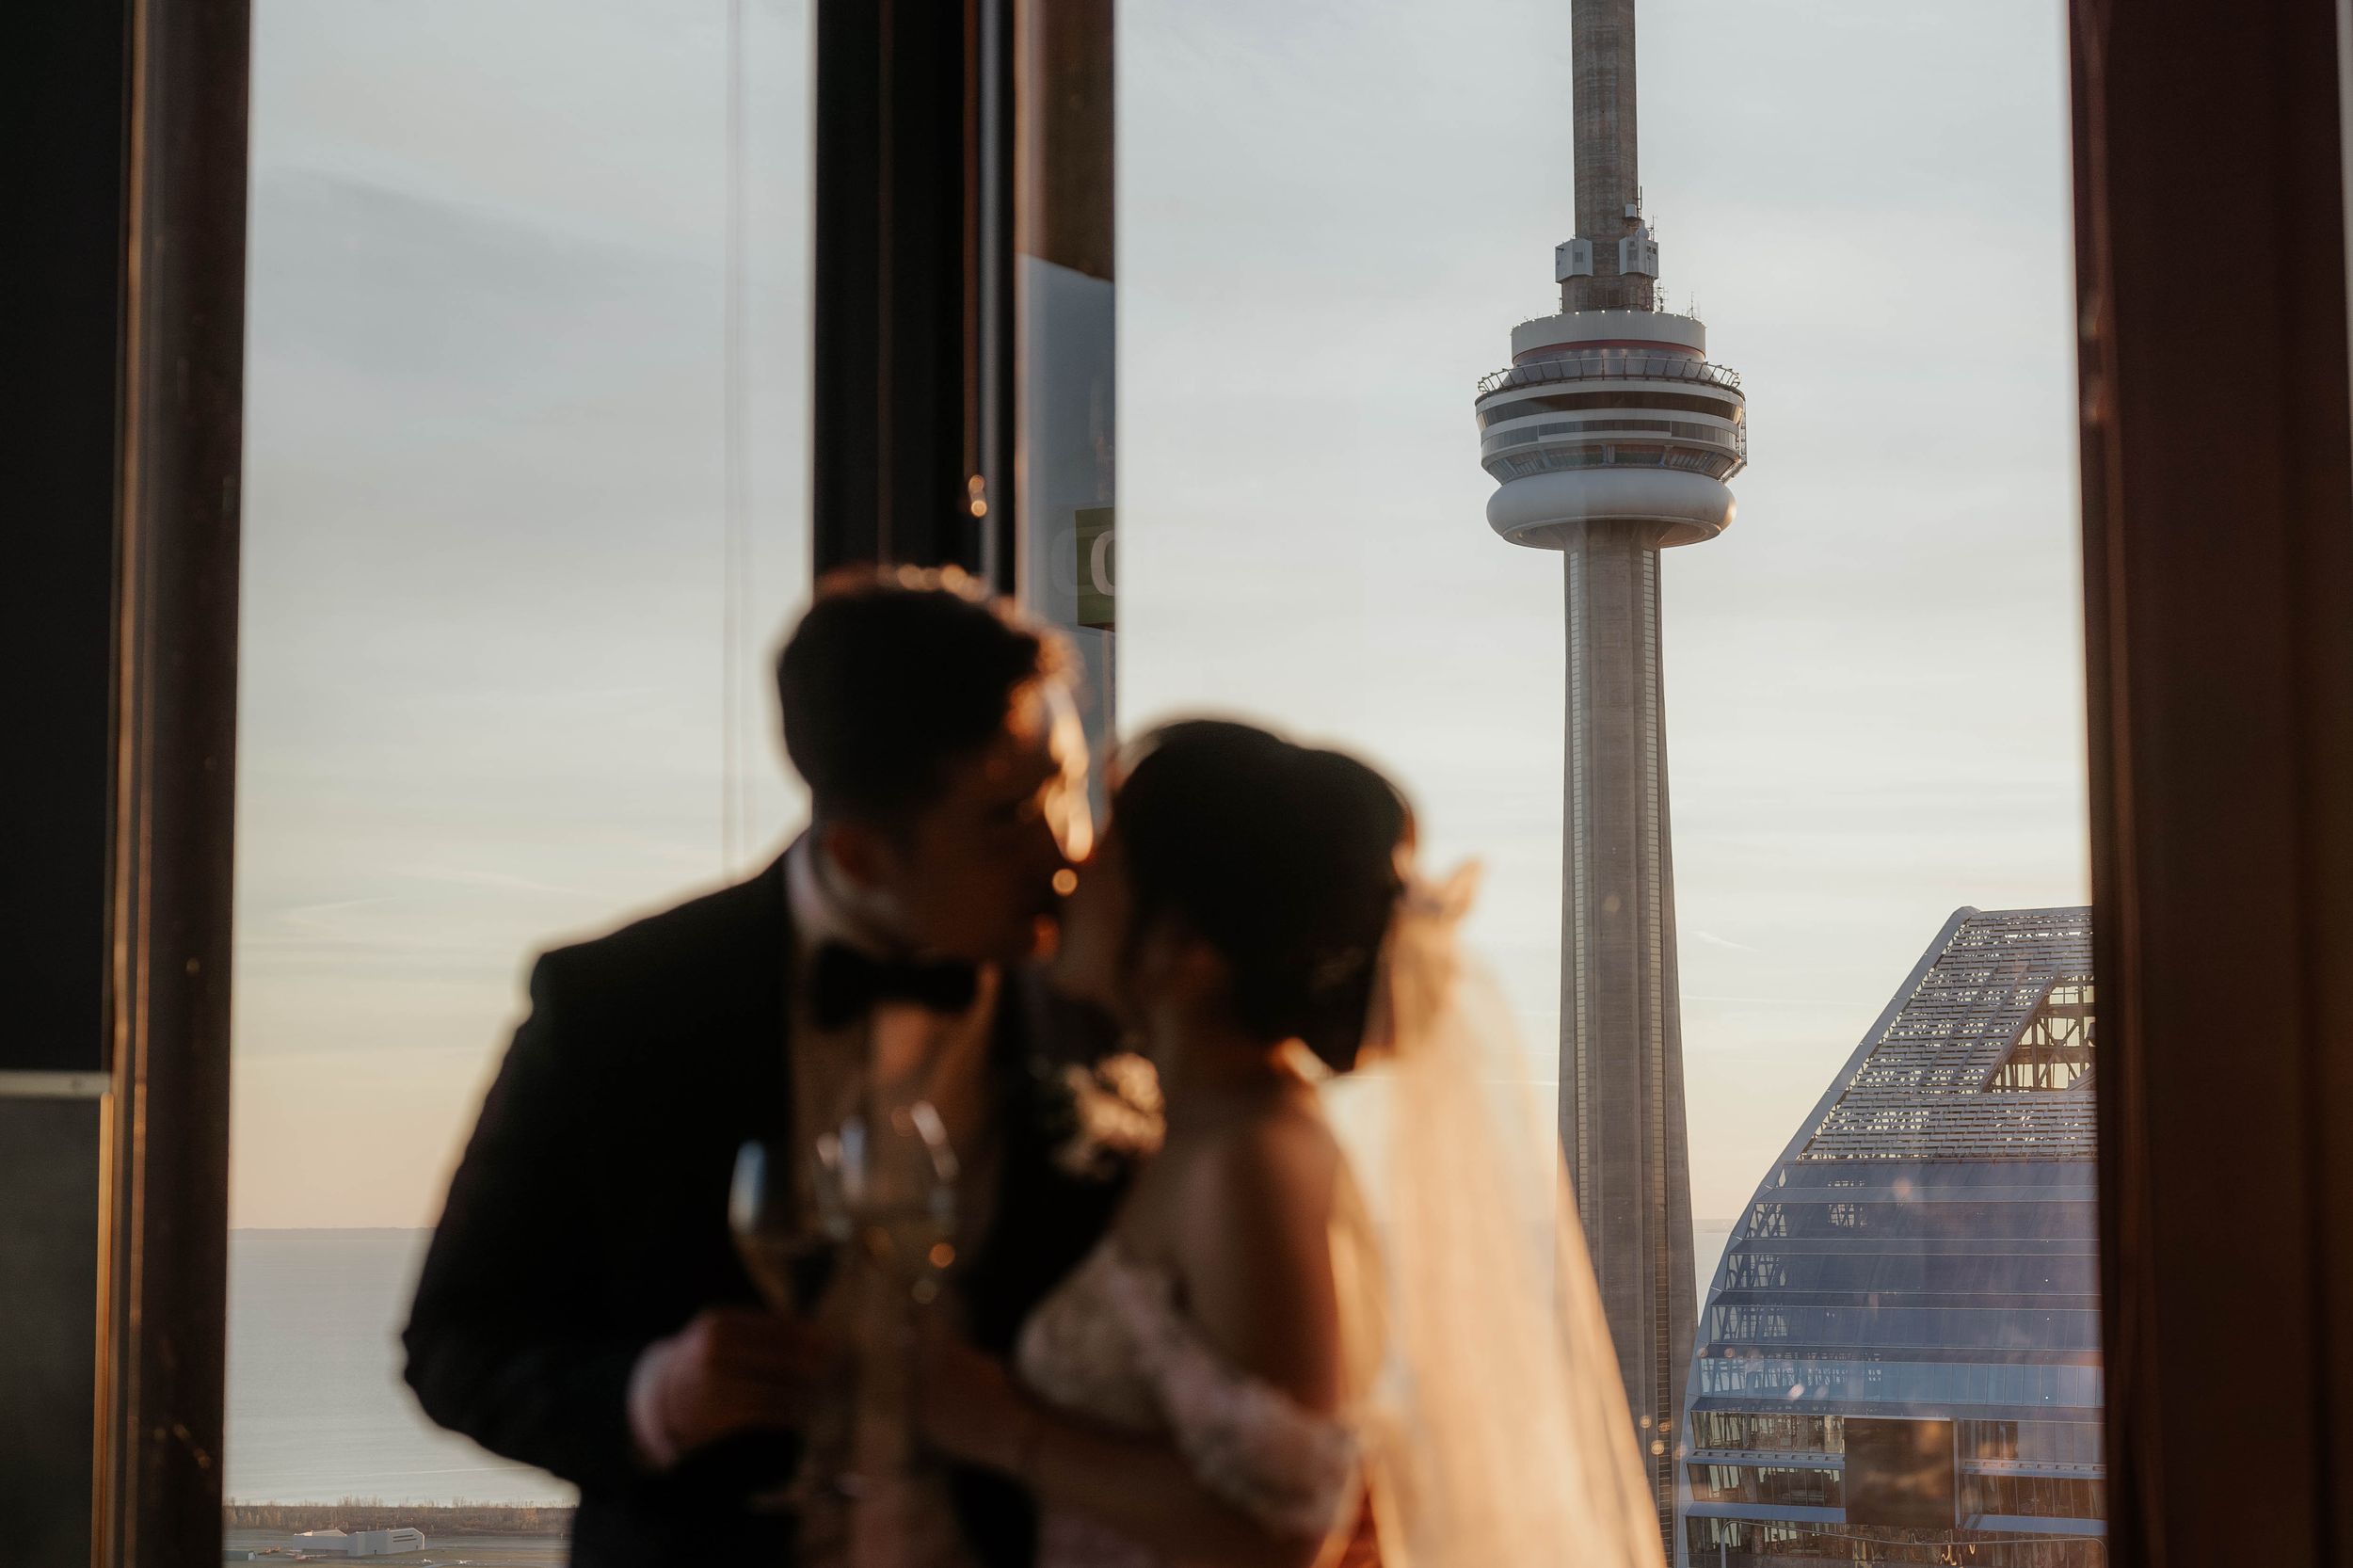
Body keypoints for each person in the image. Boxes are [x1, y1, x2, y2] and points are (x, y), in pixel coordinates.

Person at [403, 568, 1137, 1568]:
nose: (1069, 847)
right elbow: (454, 1341)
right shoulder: (618, 1009)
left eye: (1065, 782)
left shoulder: (1106, 997)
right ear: (861, 853)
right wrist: (649, 1397)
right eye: (1010, 816)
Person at [914, 719, 1666, 1568]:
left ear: (1187, 949)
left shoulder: (1254, 1158)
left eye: (1112, 857)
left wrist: (1002, 1429)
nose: (1072, 868)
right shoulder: (1207, 1133)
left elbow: (1290, 1530)